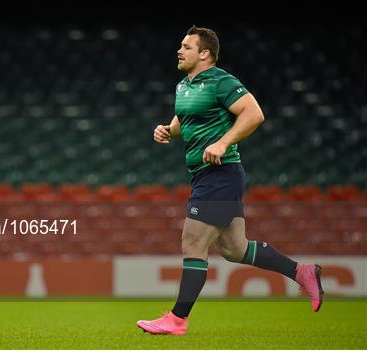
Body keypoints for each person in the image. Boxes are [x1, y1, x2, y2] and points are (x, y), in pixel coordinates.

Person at [136, 25, 324, 335]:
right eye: (180, 45)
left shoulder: (222, 81)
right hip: (204, 176)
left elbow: (253, 114)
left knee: (193, 241)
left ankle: (177, 318)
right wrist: (168, 131)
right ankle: (302, 272)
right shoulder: (184, 85)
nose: (179, 50)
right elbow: (185, 121)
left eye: (187, 46)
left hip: (220, 174)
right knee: (235, 249)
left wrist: (223, 143)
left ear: (205, 53)